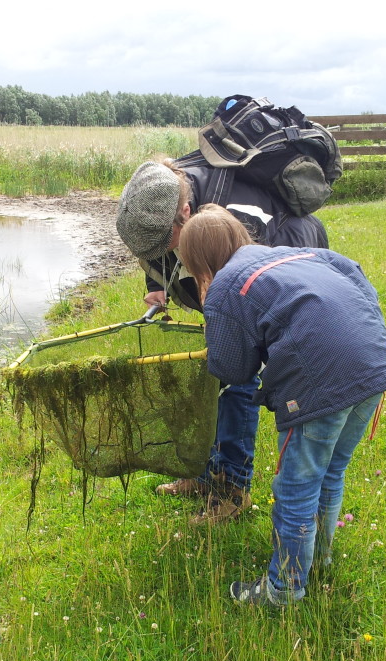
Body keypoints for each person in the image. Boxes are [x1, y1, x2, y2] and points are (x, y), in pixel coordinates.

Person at [177, 205, 386, 605]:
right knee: (330, 472)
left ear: (198, 261)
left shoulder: (226, 287)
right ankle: (319, 560)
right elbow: (356, 276)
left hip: (320, 381)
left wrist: (218, 321)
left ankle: (284, 589)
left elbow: (231, 370)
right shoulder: (298, 254)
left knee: (296, 486)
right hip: (374, 365)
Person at [116, 159, 328, 524]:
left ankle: (234, 489)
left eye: (165, 244)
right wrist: (155, 287)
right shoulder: (163, 208)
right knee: (212, 376)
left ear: (185, 212)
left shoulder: (234, 221)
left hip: (271, 289)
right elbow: (157, 251)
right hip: (228, 284)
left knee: (237, 382)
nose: (160, 253)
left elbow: (244, 301)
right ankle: (204, 473)